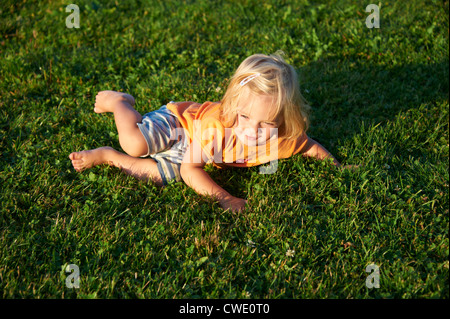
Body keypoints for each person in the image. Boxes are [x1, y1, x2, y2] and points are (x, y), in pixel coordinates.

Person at [69, 53, 340, 212]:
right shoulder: (217, 128)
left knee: (158, 176)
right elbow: (191, 169)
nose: (252, 131)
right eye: (245, 117)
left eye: (266, 123)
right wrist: (224, 198)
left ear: (282, 120)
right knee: (135, 144)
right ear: (233, 107)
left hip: (195, 150)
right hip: (180, 125)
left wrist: (337, 167)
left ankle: (106, 156)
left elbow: (308, 146)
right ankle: (120, 103)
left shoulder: (280, 137)